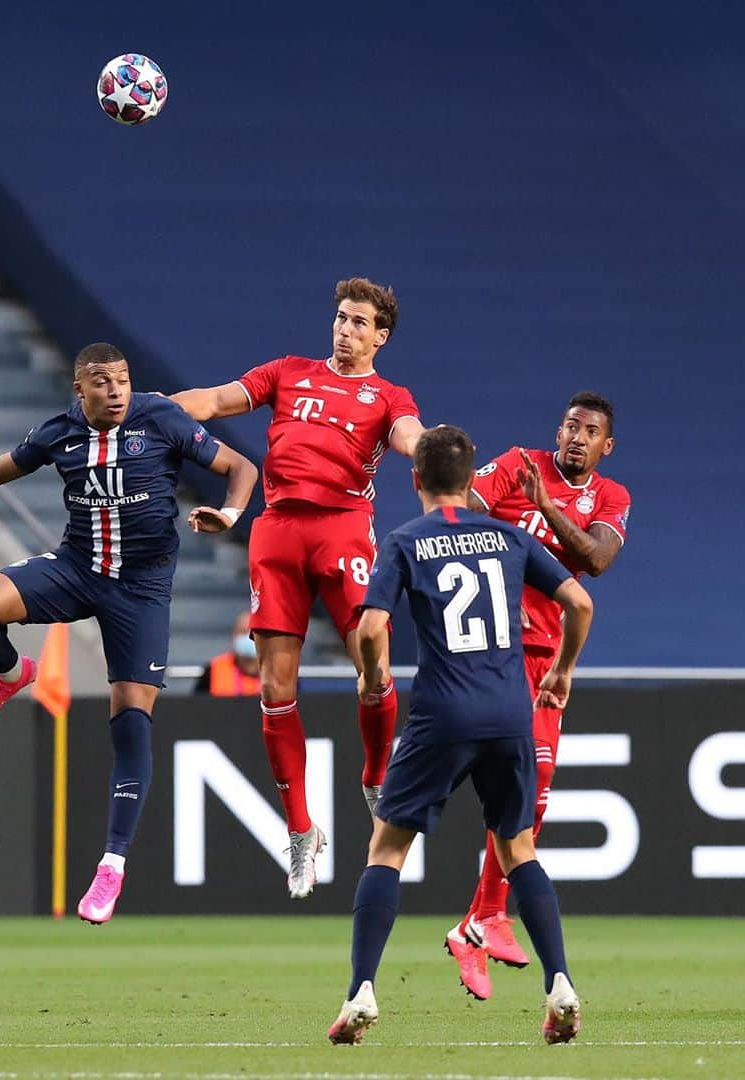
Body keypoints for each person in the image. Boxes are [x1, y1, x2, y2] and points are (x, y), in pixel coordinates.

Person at [0, 342, 257, 924]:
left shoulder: (161, 418)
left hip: (141, 590)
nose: (117, 390)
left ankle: (112, 866)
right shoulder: (58, 433)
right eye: (103, 382)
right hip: (76, 569)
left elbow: (241, 467)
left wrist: (230, 513)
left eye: (122, 379)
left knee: (130, 723)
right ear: (81, 389)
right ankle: (10, 674)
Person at [326, 426, 592, 1047]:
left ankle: (361, 991)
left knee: (386, 850)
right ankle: (560, 985)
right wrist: (561, 670)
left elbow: (370, 628)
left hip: (442, 713)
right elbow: (579, 602)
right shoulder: (509, 536)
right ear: (474, 482)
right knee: (518, 849)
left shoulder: (404, 541)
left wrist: (373, 678)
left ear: (414, 478)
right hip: (508, 712)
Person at [172, 277, 425, 899]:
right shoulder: (288, 373)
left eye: (360, 322)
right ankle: (301, 832)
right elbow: (216, 400)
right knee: (275, 685)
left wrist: (432, 449)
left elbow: (410, 437)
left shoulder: (388, 395)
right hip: (279, 531)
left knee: (375, 664)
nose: (346, 329)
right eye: (341, 318)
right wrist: (149, 409)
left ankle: (374, 776)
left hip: (343, 533)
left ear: (380, 337)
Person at [444, 391, 631, 1000]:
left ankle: (479, 918)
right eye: (571, 425)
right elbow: (463, 505)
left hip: (548, 661)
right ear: (558, 430)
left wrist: (547, 509)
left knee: (534, 796)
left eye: (591, 430)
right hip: (492, 650)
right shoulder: (520, 462)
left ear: (607, 445)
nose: (577, 436)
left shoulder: (610, 497)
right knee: (506, 786)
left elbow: (597, 560)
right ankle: (482, 918)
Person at [194, 611, 261, 696]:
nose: (249, 638)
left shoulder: (278, 671)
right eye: (243, 632)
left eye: (254, 633)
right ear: (234, 636)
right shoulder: (213, 670)